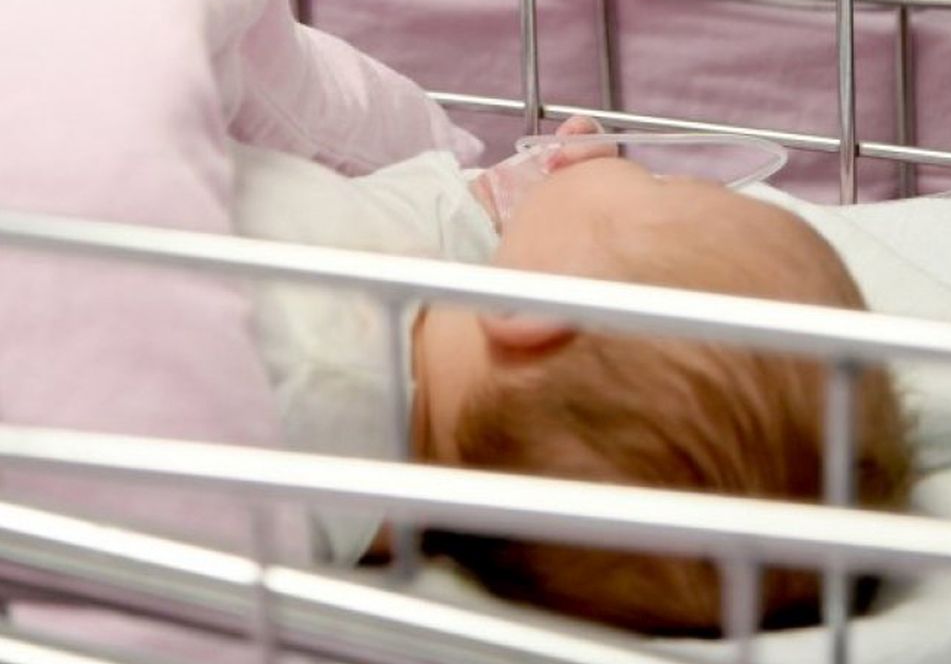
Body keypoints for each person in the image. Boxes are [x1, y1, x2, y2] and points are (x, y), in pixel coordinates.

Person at [238, 124, 912, 637]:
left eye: (666, 189)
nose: (653, 171)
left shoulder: (300, 357)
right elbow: (420, 230)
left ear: (538, 311)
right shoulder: (395, 453)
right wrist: (497, 204)